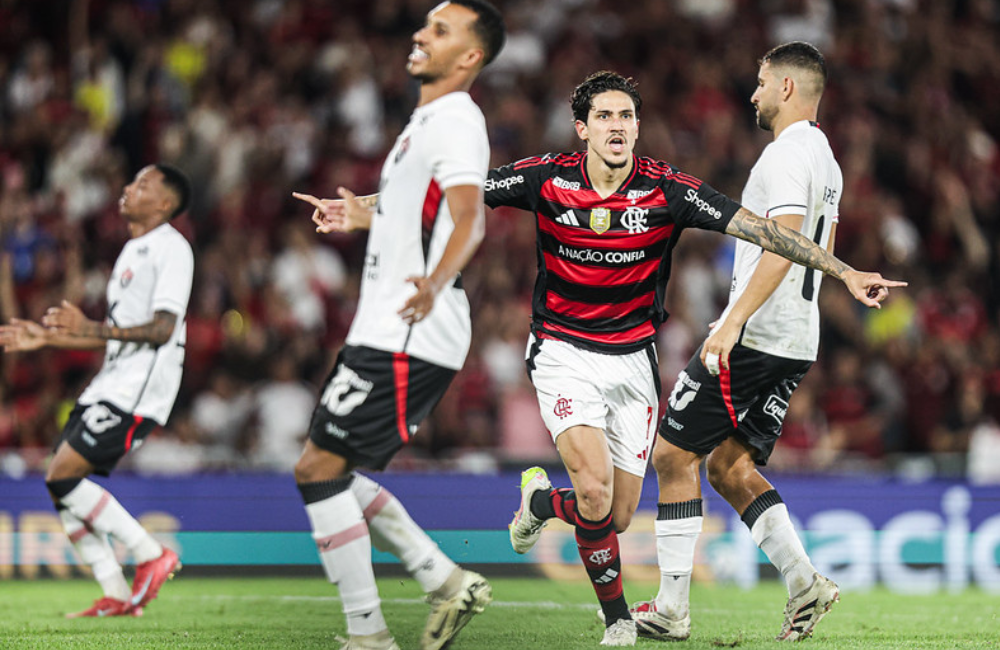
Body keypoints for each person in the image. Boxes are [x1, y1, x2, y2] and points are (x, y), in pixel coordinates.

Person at [310, 69, 903, 647]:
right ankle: (619, 623)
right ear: (582, 128)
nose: (616, 125)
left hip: (633, 361)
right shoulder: (546, 177)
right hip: (562, 351)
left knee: (615, 516)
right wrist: (361, 209)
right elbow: (450, 196)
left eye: (625, 116)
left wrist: (844, 271)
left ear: (637, 127)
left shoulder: (669, 188)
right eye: (604, 116)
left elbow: (765, 233)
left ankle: (541, 502)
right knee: (594, 493)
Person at [289, 2, 505, 650]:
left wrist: (434, 283)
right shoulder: (424, 123)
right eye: (426, 24)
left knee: (318, 468)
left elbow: (470, 217)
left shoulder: (457, 118)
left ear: (470, 56)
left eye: (441, 30)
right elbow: (419, 211)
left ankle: (370, 633)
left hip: (410, 327)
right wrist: (361, 215)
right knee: (328, 469)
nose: (421, 34)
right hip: (384, 324)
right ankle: (443, 579)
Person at [640, 42, 847, 642]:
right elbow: (818, 247)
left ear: (787, 87)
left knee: (672, 455)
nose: (753, 94)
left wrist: (733, 320)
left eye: (761, 83)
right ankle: (805, 583)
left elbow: (783, 243)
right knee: (730, 466)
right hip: (797, 337)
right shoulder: (826, 159)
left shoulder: (785, 155)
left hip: (758, 335)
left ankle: (671, 609)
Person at [0, 163, 194, 617]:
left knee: (62, 475)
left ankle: (150, 554)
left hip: (140, 388)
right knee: (59, 484)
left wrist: (89, 327)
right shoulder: (130, 252)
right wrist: (48, 339)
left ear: (165, 203)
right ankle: (116, 592)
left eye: (142, 185)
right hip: (111, 380)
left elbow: (163, 329)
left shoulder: (172, 248)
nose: (129, 188)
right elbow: (113, 334)